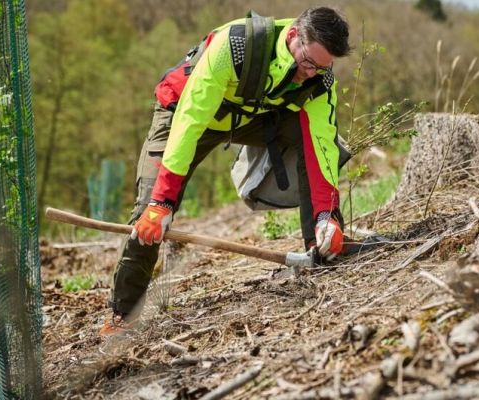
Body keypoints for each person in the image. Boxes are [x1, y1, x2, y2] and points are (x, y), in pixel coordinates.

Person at [100, 7, 351, 335]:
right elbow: (190, 122)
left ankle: (320, 249)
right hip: (184, 113)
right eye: (307, 64)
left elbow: (321, 143)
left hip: (248, 117)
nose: (310, 74)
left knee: (329, 143)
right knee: (150, 210)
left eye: (322, 68)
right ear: (293, 37)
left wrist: (326, 214)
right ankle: (123, 314)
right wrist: (163, 201)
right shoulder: (235, 46)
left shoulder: (319, 78)